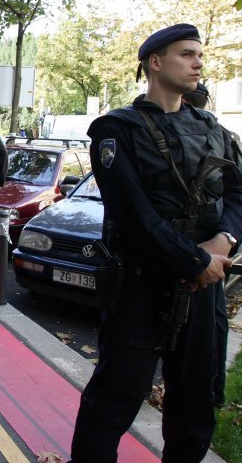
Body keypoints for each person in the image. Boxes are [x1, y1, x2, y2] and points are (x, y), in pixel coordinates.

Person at [70, 24, 242, 463]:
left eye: (199, 55)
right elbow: (133, 215)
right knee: (114, 401)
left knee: (196, 405)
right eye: (187, 54)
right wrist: (194, 260)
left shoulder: (213, 129)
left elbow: (238, 195)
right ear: (155, 62)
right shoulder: (116, 130)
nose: (198, 63)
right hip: (141, 286)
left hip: (203, 290)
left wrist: (224, 240)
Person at [180, 81, 231, 407]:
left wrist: (224, 240)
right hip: (188, 261)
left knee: (208, 337)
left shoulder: (222, 139)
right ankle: (211, 393)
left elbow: (236, 197)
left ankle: (212, 393)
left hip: (205, 264)